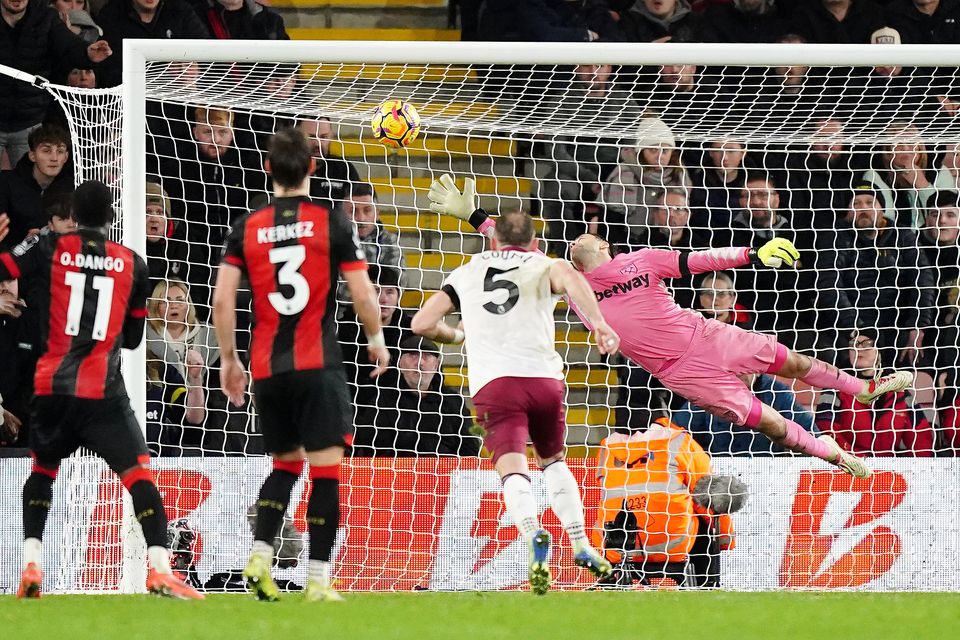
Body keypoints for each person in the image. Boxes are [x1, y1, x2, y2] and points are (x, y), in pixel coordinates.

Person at [428, 173, 915, 480]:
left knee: (792, 360)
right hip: (679, 372)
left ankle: (863, 389)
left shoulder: (645, 259)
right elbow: (517, 248)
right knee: (763, 421)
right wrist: (471, 214)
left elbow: (702, 260)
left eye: (586, 234)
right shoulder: (570, 281)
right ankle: (830, 454)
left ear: (605, 247)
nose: (577, 237)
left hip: (705, 335)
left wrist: (753, 253)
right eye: (573, 237)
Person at [0, 180, 202, 599]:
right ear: (112, 216)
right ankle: (161, 569)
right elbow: (131, 340)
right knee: (139, 477)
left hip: (52, 388)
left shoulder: (49, 247)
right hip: (102, 394)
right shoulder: (134, 262)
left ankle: (32, 564)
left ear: (74, 215)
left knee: (42, 472)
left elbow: (7, 267)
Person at [213, 127, 390, 602]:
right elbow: (362, 291)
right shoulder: (332, 222)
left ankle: (260, 555)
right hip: (317, 362)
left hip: (268, 367)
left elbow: (222, 300)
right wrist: (376, 339)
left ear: (268, 169)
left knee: (285, 464)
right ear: (313, 166)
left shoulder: (246, 226)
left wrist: (230, 360)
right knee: (326, 471)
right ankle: (317, 580)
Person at [411, 209, 620, 595]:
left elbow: (421, 323)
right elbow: (572, 280)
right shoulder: (545, 264)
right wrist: (600, 323)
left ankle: (532, 533)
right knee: (554, 462)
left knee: (513, 471)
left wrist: (456, 337)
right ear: (534, 242)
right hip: (543, 380)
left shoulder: (467, 272)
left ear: (494, 240)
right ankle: (580, 543)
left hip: (495, 384)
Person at [592, 414, 742, 588]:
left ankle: (611, 582)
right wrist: (725, 539)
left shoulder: (606, 447)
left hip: (616, 547)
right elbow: (710, 495)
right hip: (673, 545)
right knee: (703, 510)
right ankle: (706, 587)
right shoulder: (679, 441)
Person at [0, 0, 111, 166]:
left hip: (30, 123)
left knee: (30, 188)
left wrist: (87, 53)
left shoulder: (46, 17)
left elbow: (68, 45)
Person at [816, 329, 934, 456]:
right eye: (853, 344)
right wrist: (858, 461)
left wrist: (918, 471)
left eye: (867, 344)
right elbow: (826, 430)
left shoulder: (899, 392)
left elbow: (921, 438)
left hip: (888, 468)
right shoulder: (834, 388)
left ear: (879, 351)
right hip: (847, 467)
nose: (858, 349)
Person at [359, 336, 480, 457]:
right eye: (413, 355)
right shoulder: (383, 401)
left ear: (436, 365)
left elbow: (470, 449)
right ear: (400, 363)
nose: (420, 362)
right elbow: (374, 453)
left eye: (426, 356)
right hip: (398, 473)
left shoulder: (454, 401)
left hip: (448, 472)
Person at [675, 371, 819, 456]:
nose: (738, 372)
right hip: (718, 477)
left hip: (767, 475)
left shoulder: (776, 394)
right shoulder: (709, 393)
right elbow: (675, 434)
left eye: (744, 366)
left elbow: (812, 436)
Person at [95, 0, 210, 87]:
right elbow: (107, 69)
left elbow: (208, 53)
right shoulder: (111, 14)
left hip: (180, 103)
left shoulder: (181, 10)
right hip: (129, 100)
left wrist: (193, 68)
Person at [0, 123, 74, 248]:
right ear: (32, 155)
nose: (54, 158)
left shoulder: (72, 188)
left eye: (60, 151)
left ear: (66, 157)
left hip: (56, 258)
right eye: (46, 151)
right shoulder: (6, 182)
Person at [298, 117, 360, 211]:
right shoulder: (288, 168)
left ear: (331, 136)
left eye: (323, 137)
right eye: (311, 137)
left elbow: (360, 202)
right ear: (298, 136)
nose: (317, 144)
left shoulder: (344, 169)